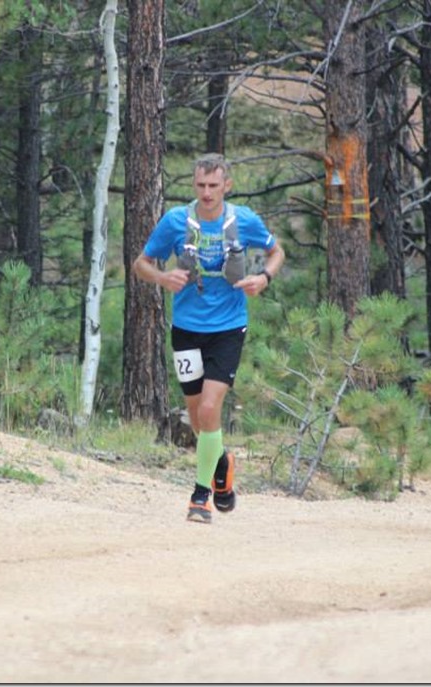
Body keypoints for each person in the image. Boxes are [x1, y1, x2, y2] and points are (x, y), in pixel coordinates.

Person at [131, 153, 285, 524]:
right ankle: (221, 465)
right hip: (187, 328)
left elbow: (276, 251)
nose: (206, 192)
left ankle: (200, 497)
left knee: (210, 407)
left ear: (227, 185)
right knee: (198, 417)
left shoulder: (243, 220)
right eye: (200, 185)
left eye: (214, 185)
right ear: (194, 184)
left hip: (228, 327)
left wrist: (264, 277)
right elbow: (140, 263)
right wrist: (163, 277)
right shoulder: (175, 221)